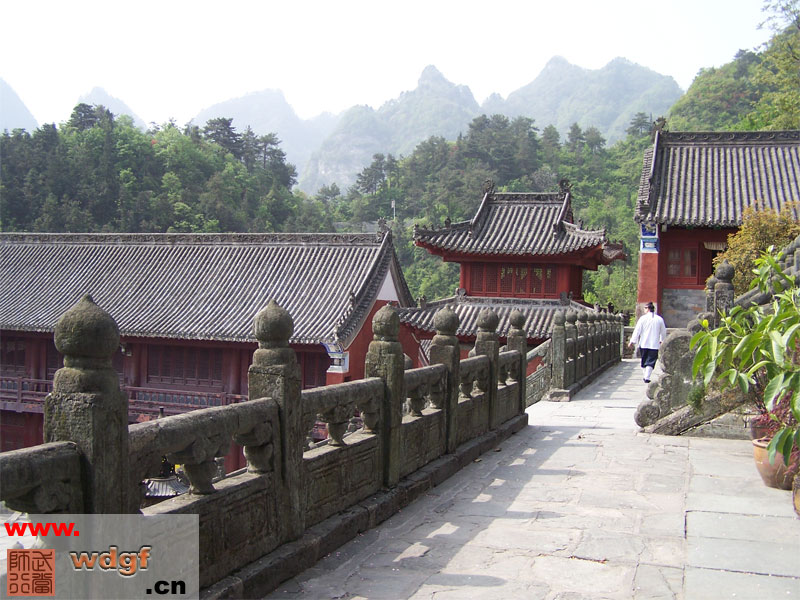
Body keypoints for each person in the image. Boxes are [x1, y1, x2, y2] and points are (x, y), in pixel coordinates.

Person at [629, 302, 667, 383]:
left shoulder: (642, 319)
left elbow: (637, 330)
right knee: (650, 361)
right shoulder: (659, 319)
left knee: (645, 360)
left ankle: (646, 376)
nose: (644, 310)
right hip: (654, 344)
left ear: (648, 309)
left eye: (645, 308)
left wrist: (632, 341)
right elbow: (663, 331)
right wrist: (662, 340)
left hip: (644, 343)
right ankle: (646, 376)